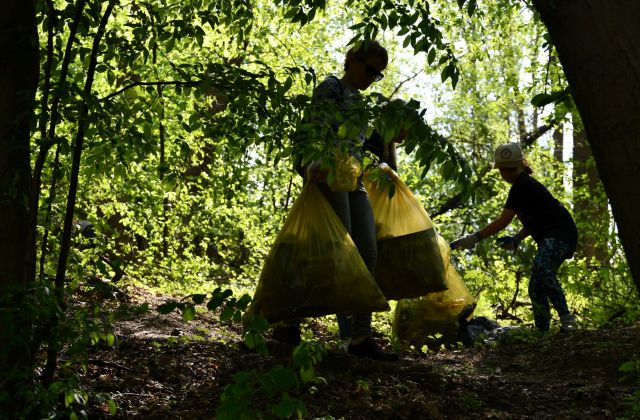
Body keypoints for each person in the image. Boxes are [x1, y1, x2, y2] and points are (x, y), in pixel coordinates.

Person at [281, 40, 398, 361]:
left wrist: (387, 154)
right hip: (327, 172)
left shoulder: (362, 104)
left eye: (378, 75)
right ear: (352, 60)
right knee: (334, 253)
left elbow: (369, 144)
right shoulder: (331, 88)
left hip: (353, 178)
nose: (371, 77)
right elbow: (318, 125)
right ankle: (288, 321)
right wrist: (315, 161)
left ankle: (361, 338)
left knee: (367, 253)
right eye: (369, 69)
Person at [450, 142, 578, 333]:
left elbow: (503, 221)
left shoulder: (522, 186)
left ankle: (567, 318)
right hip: (553, 234)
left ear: (521, 165)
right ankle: (542, 331)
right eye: (503, 170)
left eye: (511, 169)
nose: (507, 174)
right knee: (536, 288)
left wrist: (474, 238)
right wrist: (517, 239)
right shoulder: (521, 187)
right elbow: (533, 222)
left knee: (542, 267)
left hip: (561, 232)